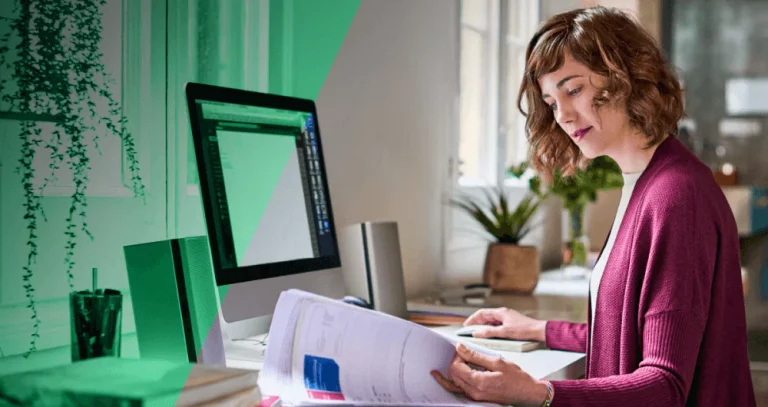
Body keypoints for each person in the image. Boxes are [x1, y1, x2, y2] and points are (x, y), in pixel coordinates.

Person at [431, 6, 756, 407]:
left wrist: (538, 393)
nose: (563, 115)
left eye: (574, 90)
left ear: (625, 76)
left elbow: (665, 386)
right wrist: (539, 329)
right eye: (551, 101)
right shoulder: (646, 181)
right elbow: (630, 332)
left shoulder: (676, 196)